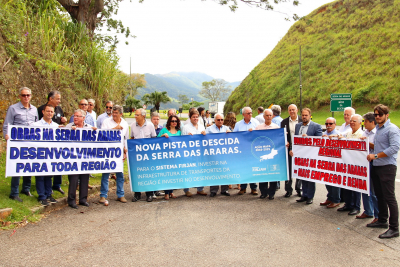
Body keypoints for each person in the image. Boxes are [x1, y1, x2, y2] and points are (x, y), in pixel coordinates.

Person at [366, 104, 400, 239]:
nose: (378, 117)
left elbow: (394, 148)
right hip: (377, 165)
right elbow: (379, 146)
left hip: (387, 167)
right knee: (379, 195)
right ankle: (382, 220)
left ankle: (394, 228)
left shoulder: (392, 129)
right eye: (376, 115)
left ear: (387, 115)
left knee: (389, 197)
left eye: (380, 114)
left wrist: (376, 156)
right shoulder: (378, 129)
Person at [4, 87, 38, 202]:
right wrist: (6, 136)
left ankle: (26, 188)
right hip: (17, 143)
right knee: (17, 167)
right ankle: (14, 192)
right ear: (19, 96)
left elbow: (37, 125)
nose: (26, 97)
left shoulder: (34, 109)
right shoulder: (13, 108)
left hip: (30, 142)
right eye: (23, 95)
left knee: (28, 166)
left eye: (28, 95)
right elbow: (7, 124)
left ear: (31, 96)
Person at [290, 108, 322, 204]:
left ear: (310, 116)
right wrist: (292, 150)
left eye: (306, 115)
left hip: (311, 156)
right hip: (300, 156)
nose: (304, 117)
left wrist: (309, 139)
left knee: (310, 177)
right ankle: (304, 195)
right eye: (303, 115)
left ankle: (310, 197)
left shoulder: (316, 126)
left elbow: (320, 142)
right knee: (302, 175)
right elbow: (295, 141)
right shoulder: (298, 126)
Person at [65, 109, 96, 208]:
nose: (75, 118)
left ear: (83, 118)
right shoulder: (69, 127)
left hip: (85, 158)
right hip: (73, 158)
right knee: (73, 179)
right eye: (74, 116)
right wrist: (70, 132)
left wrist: (96, 132)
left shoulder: (89, 127)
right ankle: (71, 200)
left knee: (84, 179)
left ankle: (83, 199)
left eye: (78, 116)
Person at [37, 90, 67, 195]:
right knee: (42, 172)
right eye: (57, 98)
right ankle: (42, 195)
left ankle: (54, 188)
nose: (59, 101)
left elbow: (59, 124)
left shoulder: (59, 110)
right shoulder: (39, 112)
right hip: (41, 147)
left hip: (55, 146)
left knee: (53, 168)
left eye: (51, 112)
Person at [99, 105, 129, 205]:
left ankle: (120, 195)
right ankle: (103, 195)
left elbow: (125, 138)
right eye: (113, 112)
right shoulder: (106, 122)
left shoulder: (124, 123)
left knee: (120, 174)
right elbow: (102, 135)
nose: (114, 114)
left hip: (119, 152)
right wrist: (114, 129)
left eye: (116, 113)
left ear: (121, 114)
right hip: (108, 151)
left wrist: (125, 150)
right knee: (106, 174)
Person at [32, 105, 59, 206]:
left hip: (51, 154)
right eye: (48, 111)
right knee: (40, 176)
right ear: (43, 112)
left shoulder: (56, 125)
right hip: (39, 154)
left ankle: (48, 194)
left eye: (52, 112)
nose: (50, 113)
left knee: (49, 176)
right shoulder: (35, 125)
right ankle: (41, 196)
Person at [337, 114, 363, 215]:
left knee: (356, 187)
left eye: (354, 121)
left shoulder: (361, 134)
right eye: (351, 121)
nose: (351, 122)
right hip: (347, 164)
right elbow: (340, 135)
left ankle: (356, 207)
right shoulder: (348, 133)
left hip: (357, 164)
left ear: (360, 123)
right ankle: (348, 204)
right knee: (347, 185)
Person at [130, 108, 157, 202]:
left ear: (143, 116)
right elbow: (132, 138)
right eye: (135, 115)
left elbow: (154, 139)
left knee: (148, 174)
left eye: (137, 115)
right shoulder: (133, 125)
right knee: (137, 174)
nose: (135, 117)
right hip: (137, 156)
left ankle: (149, 194)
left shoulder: (150, 125)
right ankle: (137, 194)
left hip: (148, 155)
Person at [356, 112, 379, 221]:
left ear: (372, 122)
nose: (364, 123)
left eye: (365, 121)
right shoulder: (365, 132)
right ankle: (368, 211)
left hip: (375, 163)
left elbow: (380, 147)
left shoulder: (378, 132)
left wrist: (367, 143)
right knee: (364, 188)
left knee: (374, 191)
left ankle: (378, 215)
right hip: (364, 163)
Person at [234, 107, 259, 195]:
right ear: (243, 114)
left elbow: (260, 134)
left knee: (253, 168)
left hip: (253, 150)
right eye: (248, 113)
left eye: (251, 113)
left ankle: (254, 188)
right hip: (243, 150)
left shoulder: (256, 122)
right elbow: (234, 137)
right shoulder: (238, 124)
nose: (250, 114)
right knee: (243, 169)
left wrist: (254, 132)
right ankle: (243, 188)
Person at [182, 109, 207, 196]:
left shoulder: (201, 126)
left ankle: (200, 189)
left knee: (200, 170)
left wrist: (204, 134)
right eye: (194, 117)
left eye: (197, 117)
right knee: (188, 170)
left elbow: (205, 139)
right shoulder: (185, 127)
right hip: (189, 153)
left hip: (200, 152)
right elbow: (181, 141)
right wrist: (187, 137)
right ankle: (187, 190)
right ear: (190, 117)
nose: (195, 118)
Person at [255, 109, 280, 200]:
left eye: (270, 115)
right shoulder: (259, 127)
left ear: (272, 116)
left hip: (273, 155)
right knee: (263, 173)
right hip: (262, 154)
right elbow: (255, 139)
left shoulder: (276, 127)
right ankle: (263, 192)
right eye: (267, 115)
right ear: (264, 116)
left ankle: (272, 193)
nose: (269, 117)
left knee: (273, 173)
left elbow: (280, 140)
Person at [205, 113, 231, 197]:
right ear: (214, 120)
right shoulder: (209, 129)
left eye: (222, 120)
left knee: (225, 171)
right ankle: (213, 190)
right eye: (218, 120)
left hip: (224, 154)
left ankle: (225, 190)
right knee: (214, 172)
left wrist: (230, 134)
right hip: (213, 155)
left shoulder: (227, 128)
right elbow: (203, 139)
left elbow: (233, 140)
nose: (220, 121)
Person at [157, 115, 182, 200]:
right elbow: (156, 141)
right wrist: (162, 136)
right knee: (166, 174)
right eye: (172, 121)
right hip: (166, 156)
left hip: (176, 156)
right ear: (169, 122)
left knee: (173, 175)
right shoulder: (164, 130)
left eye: (176, 121)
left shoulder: (179, 131)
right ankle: (166, 193)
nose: (174, 122)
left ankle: (171, 191)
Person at [319, 117, 341, 208]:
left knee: (335, 182)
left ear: (335, 125)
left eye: (330, 124)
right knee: (327, 181)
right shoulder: (324, 133)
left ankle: (336, 200)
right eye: (327, 124)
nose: (328, 126)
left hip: (335, 162)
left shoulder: (337, 134)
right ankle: (330, 197)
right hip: (326, 162)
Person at [281, 104, 301, 197]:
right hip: (288, 149)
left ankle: (299, 189)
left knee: (300, 170)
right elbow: (282, 136)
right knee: (288, 170)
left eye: (293, 109)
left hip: (301, 149)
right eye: (290, 110)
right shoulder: (284, 122)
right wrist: (286, 143)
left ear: (297, 110)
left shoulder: (302, 120)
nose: (292, 111)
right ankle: (288, 190)